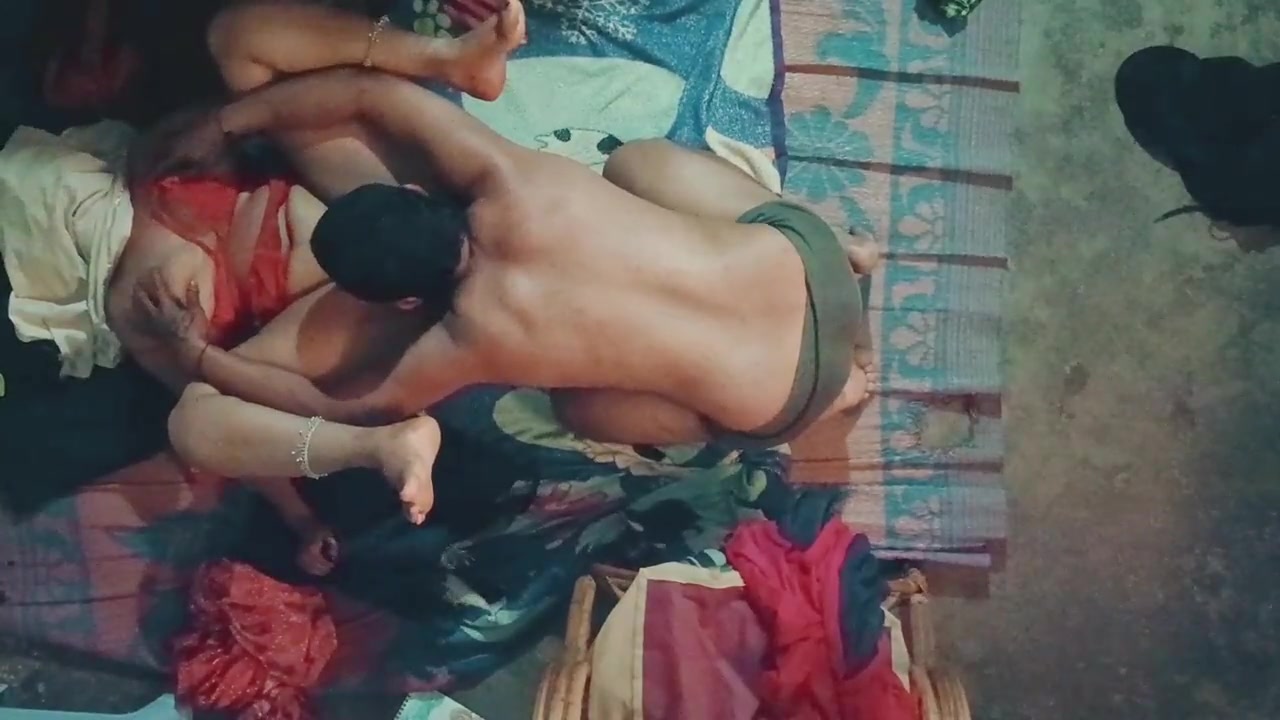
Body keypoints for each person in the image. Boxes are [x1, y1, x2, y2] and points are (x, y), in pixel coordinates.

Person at [159, 66, 882, 538]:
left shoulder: (470, 338)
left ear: (407, 303)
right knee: (633, 162)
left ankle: (840, 392)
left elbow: (352, 404)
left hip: (787, 394)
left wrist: (200, 356)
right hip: (808, 261)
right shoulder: (503, 175)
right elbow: (371, 95)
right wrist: (227, 121)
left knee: (579, 411)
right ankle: (850, 251)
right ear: (414, 193)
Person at [0, 0, 525, 574]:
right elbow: (354, 94)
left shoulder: (360, 340)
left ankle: (381, 451)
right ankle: (447, 57)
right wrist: (221, 125)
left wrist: (300, 517)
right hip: (187, 191)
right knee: (238, 36)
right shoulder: (437, 193)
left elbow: (239, 406)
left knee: (174, 372)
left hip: (178, 265)